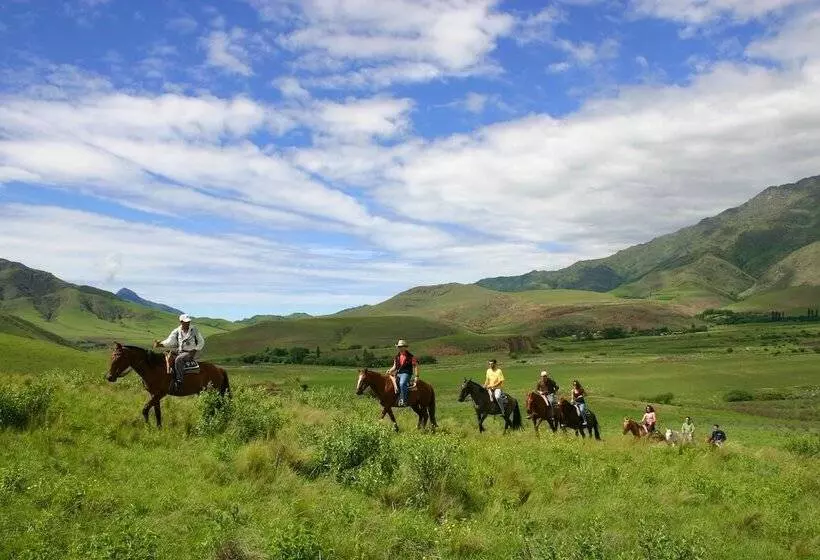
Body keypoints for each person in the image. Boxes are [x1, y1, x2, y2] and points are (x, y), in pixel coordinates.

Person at [154, 313, 205, 394]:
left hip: (190, 352)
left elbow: (201, 341)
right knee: (167, 355)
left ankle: (179, 380)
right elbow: (170, 341)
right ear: (181, 322)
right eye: (186, 322)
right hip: (180, 351)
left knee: (179, 359)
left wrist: (195, 349)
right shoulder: (177, 331)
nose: (188, 323)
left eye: (188, 322)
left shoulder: (194, 329)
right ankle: (167, 378)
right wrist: (161, 344)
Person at [386, 339, 418, 407]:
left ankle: (404, 400)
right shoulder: (396, 357)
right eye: (399, 347)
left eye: (401, 346)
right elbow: (394, 367)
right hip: (398, 373)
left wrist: (416, 376)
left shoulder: (411, 357)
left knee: (402, 383)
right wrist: (390, 370)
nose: (400, 348)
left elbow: (415, 366)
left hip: (406, 373)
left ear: (405, 347)